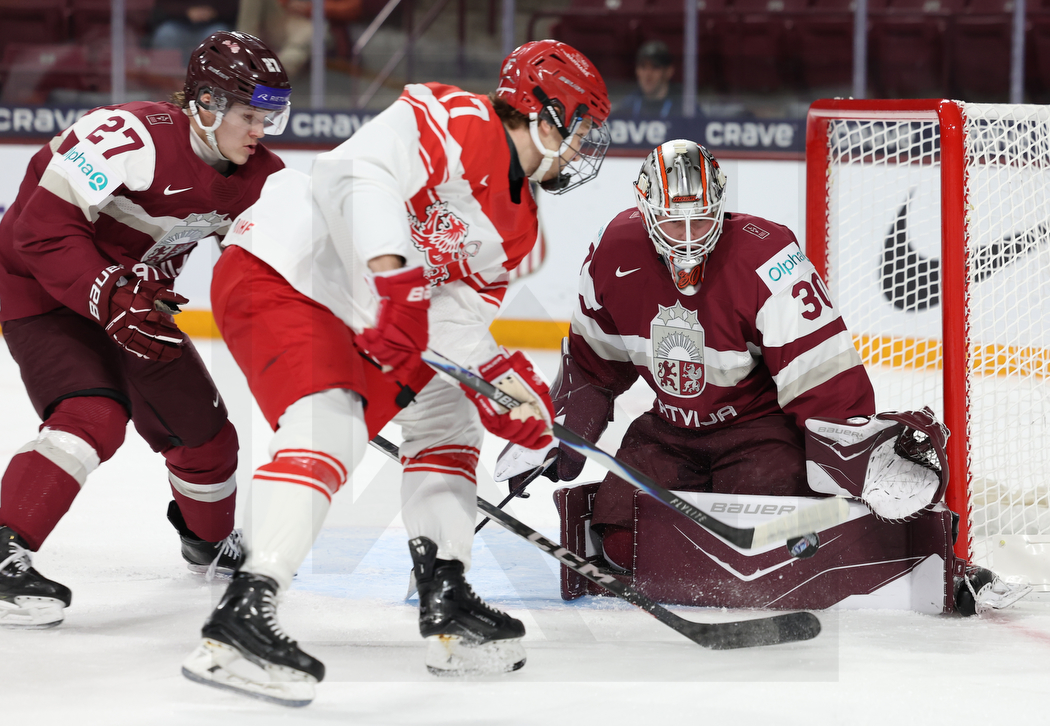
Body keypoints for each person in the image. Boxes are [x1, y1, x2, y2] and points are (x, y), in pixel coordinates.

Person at [179, 39, 611, 706]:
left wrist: (506, 384)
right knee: (332, 420)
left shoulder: (521, 228)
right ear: (546, 112)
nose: (583, 148)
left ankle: (447, 598)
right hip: (289, 269)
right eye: (582, 127)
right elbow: (354, 174)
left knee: (449, 414)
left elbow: (456, 317)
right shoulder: (456, 117)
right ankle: (243, 616)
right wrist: (397, 277)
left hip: (365, 313)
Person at [494, 139, 1031, 615]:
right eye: (674, 223)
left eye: (702, 221)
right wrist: (554, 431)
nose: (689, 239)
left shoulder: (767, 256)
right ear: (645, 210)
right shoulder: (612, 253)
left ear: (720, 206)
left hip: (756, 432)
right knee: (618, 541)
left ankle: (931, 560)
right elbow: (592, 367)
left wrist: (859, 453)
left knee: (771, 544)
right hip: (668, 431)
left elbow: (818, 372)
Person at [0, 31, 291, 628]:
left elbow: (274, 272)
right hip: (38, 286)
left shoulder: (263, 177)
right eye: (249, 116)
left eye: (269, 117)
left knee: (206, 435)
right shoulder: (127, 136)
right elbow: (39, 230)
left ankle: (207, 541)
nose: (261, 131)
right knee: (92, 413)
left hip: (136, 299)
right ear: (206, 103)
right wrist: (109, 293)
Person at [151, 0, 239, 62]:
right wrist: (187, 11)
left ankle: (209, 78)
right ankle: (168, 78)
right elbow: (162, 6)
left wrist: (213, 12)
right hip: (178, 22)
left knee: (218, 37)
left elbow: (235, 7)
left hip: (214, 24)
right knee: (166, 34)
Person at [613, 41, 679, 119]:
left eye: (655, 67)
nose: (648, 74)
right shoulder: (627, 105)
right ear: (637, 71)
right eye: (643, 67)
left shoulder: (684, 106)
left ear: (668, 72)